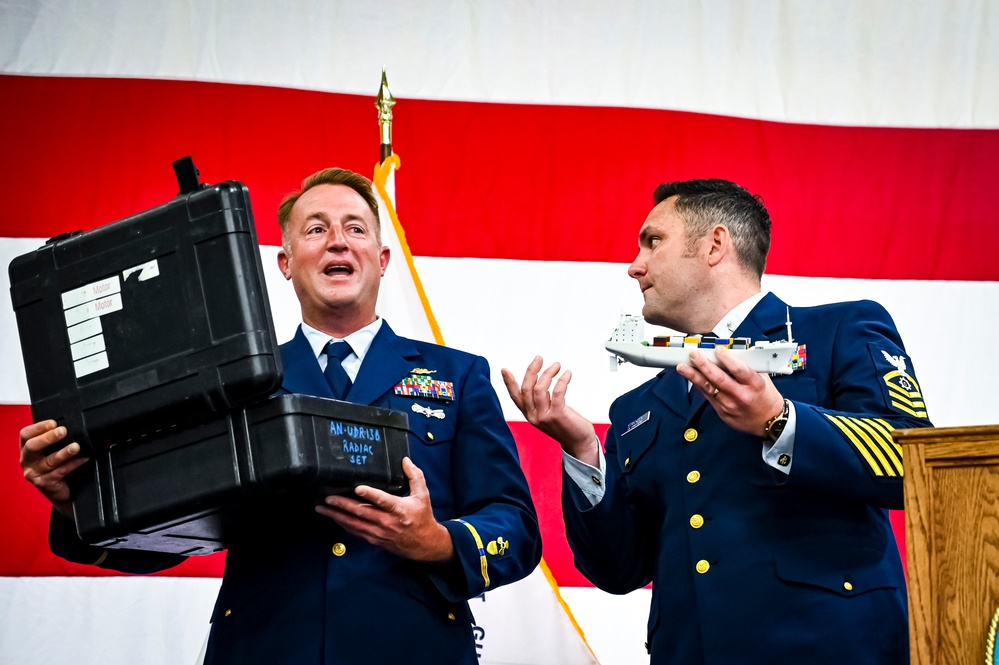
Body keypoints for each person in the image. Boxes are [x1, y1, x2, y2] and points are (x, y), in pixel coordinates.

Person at [20, 167, 541, 665]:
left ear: (382, 259)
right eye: (316, 229)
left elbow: (515, 526)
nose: (337, 240)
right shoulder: (229, 379)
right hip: (265, 649)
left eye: (354, 228)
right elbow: (170, 533)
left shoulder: (460, 375)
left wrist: (439, 542)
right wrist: (75, 505)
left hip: (411, 649)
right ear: (285, 263)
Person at [503, 178, 930, 665]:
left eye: (653, 241)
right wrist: (582, 451)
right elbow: (617, 570)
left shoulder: (838, 331)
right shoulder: (633, 409)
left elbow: (912, 461)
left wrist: (780, 421)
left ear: (714, 245)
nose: (633, 266)